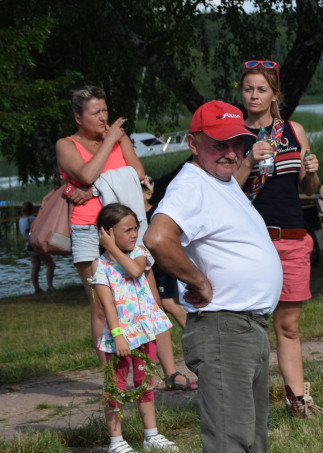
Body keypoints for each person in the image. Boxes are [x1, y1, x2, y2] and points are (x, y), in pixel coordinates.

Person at [145, 100, 298, 453]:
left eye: (238, 143)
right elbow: (157, 238)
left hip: (246, 327)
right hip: (224, 329)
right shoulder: (191, 185)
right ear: (194, 144)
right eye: (219, 144)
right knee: (230, 441)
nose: (231, 152)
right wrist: (196, 280)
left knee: (250, 437)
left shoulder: (222, 179)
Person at [234, 59, 323, 417]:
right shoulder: (233, 135)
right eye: (248, 89)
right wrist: (247, 162)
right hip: (250, 243)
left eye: (261, 89)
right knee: (248, 326)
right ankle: (244, 404)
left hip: (291, 238)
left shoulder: (293, 131)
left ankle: (297, 399)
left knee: (288, 326)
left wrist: (312, 173)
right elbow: (221, 193)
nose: (253, 96)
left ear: (275, 94)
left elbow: (308, 189)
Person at [56, 85, 146, 365]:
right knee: (99, 305)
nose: (103, 117)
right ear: (78, 118)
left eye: (105, 110)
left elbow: (138, 173)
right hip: (87, 230)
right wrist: (110, 143)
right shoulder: (66, 145)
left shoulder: (121, 139)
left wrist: (93, 190)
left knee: (138, 296)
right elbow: (84, 172)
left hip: (123, 228)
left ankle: (149, 365)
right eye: (95, 112)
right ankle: (109, 377)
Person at [90, 203, 178, 453]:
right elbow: (106, 305)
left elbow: (136, 270)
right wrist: (118, 335)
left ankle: (151, 436)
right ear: (106, 233)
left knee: (145, 384)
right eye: (127, 229)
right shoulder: (101, 266)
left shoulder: (139, 252)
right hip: (120, 337)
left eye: (136, 228)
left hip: (145, 332)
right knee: (115, 388)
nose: (133, 234)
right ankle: (116, 442)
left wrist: (114, 247)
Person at [141, 177, 197, 391]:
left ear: (148, 193)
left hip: (162, 267)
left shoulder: (156, 213)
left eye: (142, 189)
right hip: (152, 267)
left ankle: (194, 331)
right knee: (163, 306)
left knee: (168, 304)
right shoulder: (135, 215)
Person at [18, 202, 56, 294]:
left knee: (35, 266)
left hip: (28, 245)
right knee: (50, 265)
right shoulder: (32, 218)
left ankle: (37, 288)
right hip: (36, 244)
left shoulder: (21, 220)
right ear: (31, 209)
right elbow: (43, 223)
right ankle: (50, 286)